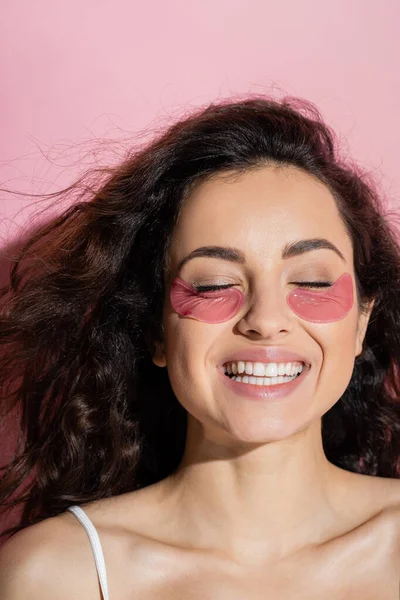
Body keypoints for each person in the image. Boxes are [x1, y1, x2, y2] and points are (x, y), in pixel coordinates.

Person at [0, 95, 399, 598]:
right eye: (212, 284)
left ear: (363, 321)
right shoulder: (55, 576)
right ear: (156, 329)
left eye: (313, 283)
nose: (266, 320)